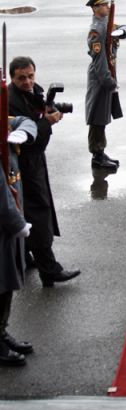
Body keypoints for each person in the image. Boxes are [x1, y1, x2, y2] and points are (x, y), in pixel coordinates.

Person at [8, 57, 80, 287]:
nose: (28, 82)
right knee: (38, 213)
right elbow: (26, 137)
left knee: (28, 210)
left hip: (35, 161)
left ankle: (26, 255)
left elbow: (39, 107)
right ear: (12, 78)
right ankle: (49, 269)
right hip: (23, 163)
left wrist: (48, 110)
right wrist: (47, 122)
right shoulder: (9, 102)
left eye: (31, 76)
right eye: (22, 78)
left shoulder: (33, 90)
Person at [0, 117, 36, 366]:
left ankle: (1, 330)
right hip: (5, 222)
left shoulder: (6, 122)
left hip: (9, 224)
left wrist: (22, 132)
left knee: (7, 283)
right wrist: (17, 224)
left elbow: (24, 120)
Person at [86, 0, 126, 169]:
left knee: (103, 117)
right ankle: (97, 155)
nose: (107, 7)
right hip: (101, 79)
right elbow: (99, 62)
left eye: (107, 4)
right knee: (97, 118)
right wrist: (109, 82)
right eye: (103, 4)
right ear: (94, 8)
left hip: (108, 75)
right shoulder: (96, 30)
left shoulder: (107, 24)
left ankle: (101, 151)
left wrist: (120, 32)